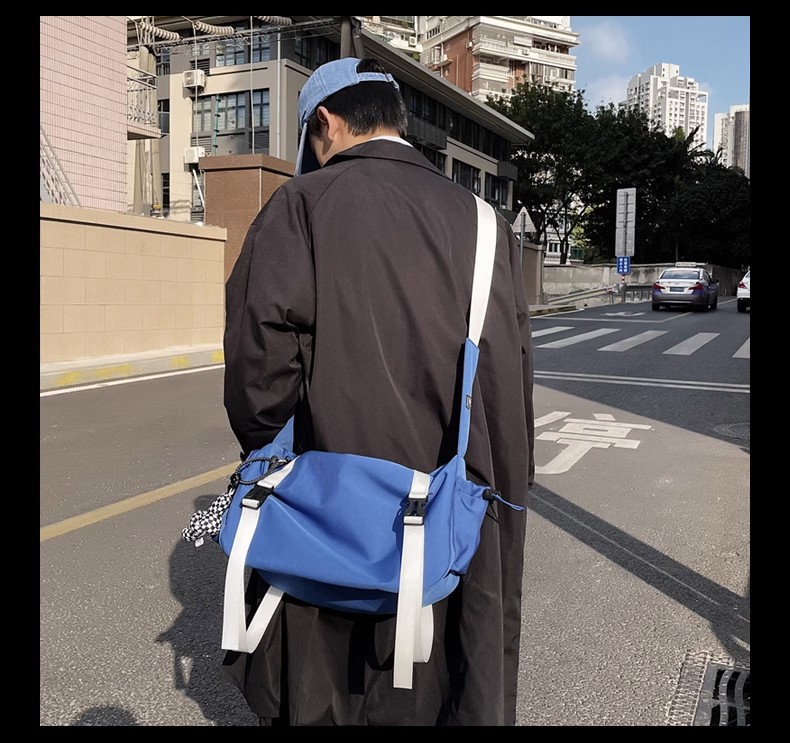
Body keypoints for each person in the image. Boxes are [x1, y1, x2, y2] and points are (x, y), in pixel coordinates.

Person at [221, 56, 535, 727]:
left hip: (331, 522)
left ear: (326, 124)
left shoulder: (300, 207)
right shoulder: (486, 224)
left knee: (329, 690)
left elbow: (257, 379)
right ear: (396, 120)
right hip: (455, 523)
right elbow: (510, 386)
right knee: (444, 690)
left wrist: (271, 448)